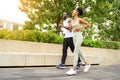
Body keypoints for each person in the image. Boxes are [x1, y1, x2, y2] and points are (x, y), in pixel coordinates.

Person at [66, 7, 91, 75]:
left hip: (79, 36)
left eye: (73, 11)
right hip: (74, 36)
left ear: (77, 13)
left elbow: (88, 24)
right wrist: (69, 26)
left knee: (75, 51)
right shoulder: (71, 21)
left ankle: (74, 68)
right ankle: (87, 63)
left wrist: (81, 27)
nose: (72, 12)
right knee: (79, 52)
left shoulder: (79, 19)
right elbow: (70, 29)